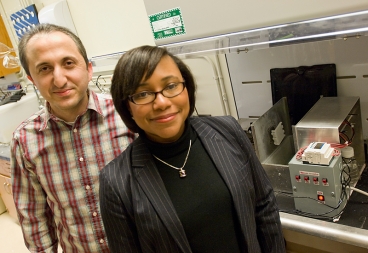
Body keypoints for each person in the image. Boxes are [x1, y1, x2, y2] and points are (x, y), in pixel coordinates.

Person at [99, 45, 286, 253]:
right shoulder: (116, 181)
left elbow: (264, 206)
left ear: (186, 88)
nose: (161, 102)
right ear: (127, 107)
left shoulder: (228, 130)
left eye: (170, 86)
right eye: (143, 93)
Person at [11, 23, 134, 253]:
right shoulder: (25, 141)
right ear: (32, 79)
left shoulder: (128, 113)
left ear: (88, 69)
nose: (59, 80)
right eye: (45, 69)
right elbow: (34, 218)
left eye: (68, 63)